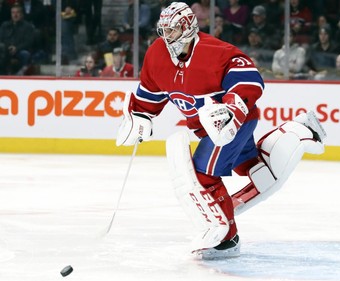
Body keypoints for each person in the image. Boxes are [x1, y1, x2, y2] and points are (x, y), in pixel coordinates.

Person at [116, 2, 326, 260]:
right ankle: (295, 134)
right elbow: (151, 92)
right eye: (163, 30)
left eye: (171, 31)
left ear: (186, 27)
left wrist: (231, 108)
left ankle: (227, 240)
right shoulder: (157, 54)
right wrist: (140, 114)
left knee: (202, 174)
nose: (165, 37)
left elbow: (250, 79)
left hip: (234, 123)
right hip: (207, 130)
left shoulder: (216, 52)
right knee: (246, 163)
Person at [0, 4, 35, 75]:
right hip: (5, 50)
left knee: (26, 55)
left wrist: (17, 48)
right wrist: (8, 47)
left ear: (22, 14)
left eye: (17, 12)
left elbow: (29, 42)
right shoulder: (5, 25)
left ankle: (20, 75)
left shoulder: (27, 26)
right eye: (13, 13)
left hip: (20, 50)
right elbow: (1, 38)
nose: (15, 15)